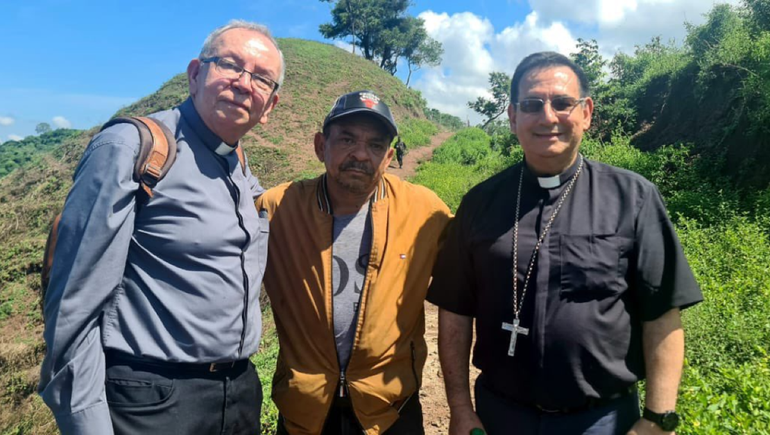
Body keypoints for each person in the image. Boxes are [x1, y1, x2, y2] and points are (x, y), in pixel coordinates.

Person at [428, 52, 703, 435]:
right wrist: (459, 407)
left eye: (562, 103)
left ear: (586, 112)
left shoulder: (633, 198)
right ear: (512, 118)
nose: (547, 117)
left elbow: (662, 313)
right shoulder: (480, 203)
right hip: (500, 415)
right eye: (531, 105)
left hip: (602, 420)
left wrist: (658, 418)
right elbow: (455, 311)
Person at [38, 20, 284, 435]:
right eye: (230, 65)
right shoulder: (133, 148)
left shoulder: (239, 166)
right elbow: (72, 306)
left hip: (237, 395)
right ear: (195, 74)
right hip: (153, 401)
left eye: (261, 78)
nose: (245, 83)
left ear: (270, 108)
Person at [256, 90, 452, 434]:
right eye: (347, 139)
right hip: (305, 409)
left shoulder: (424, 211)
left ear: (389, 156)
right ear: (321, 145)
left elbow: (473, 271)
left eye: (376, 145)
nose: (361, 154)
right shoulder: (277, 209)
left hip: (390, 409)